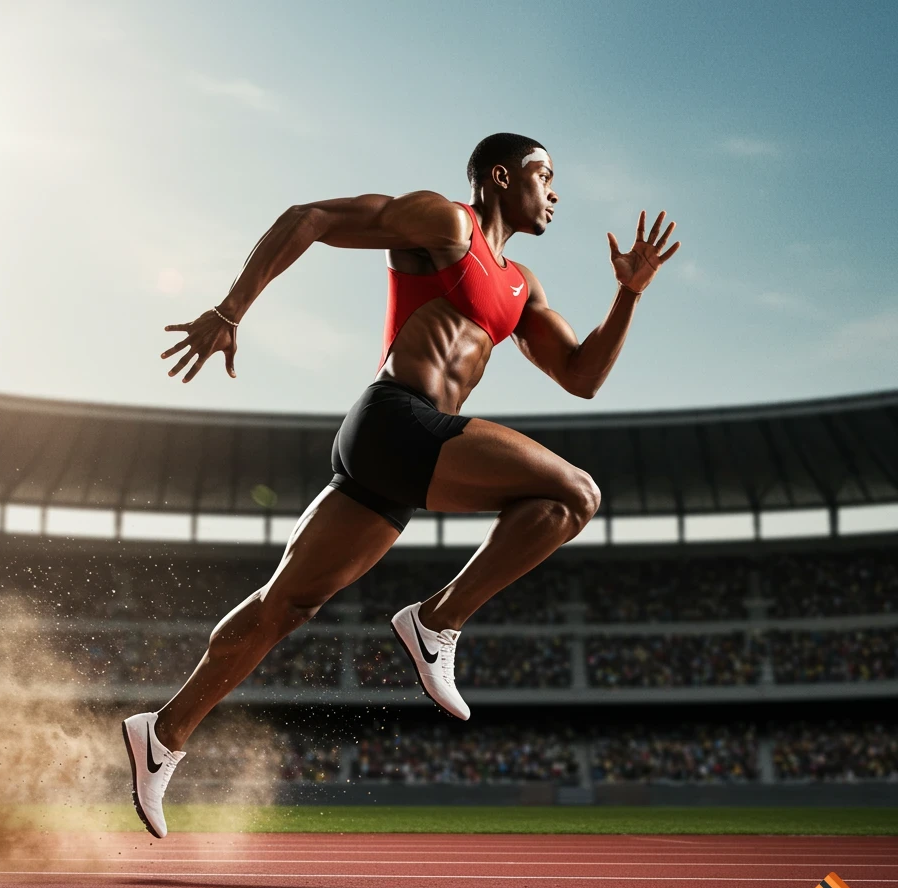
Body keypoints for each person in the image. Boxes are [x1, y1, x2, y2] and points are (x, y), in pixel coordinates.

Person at [122, 132, 680, 837]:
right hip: (395, 420)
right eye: (545, 175)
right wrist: (231, 309)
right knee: (576, 495)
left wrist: (627, 295)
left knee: (284, 606)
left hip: (402, 458)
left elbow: (581, 376)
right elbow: (309, 219)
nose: (556, 191)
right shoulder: (446, 223)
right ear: (502, 177)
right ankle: (437, 620)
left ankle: (163, 733)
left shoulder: (521, 284)